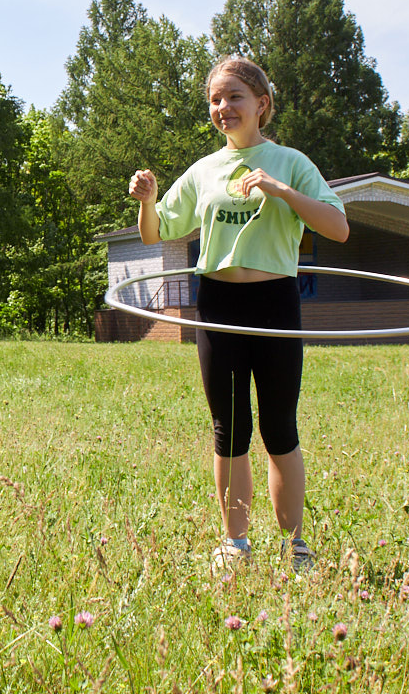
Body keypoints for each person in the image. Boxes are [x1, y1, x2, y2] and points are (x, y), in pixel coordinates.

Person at [128, 56, 349, 573]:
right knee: (229, 430)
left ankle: (297, 548)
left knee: (279, 429)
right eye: (215, 100)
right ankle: (236, 544)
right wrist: (148, 200)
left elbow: (338, 227)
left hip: (274, 304)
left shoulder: (292, 162)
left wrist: (281, 191)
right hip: (219, 306)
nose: (223, 108)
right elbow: (155, 232)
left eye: (234, 97)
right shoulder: (204, 171)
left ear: (262, 105)